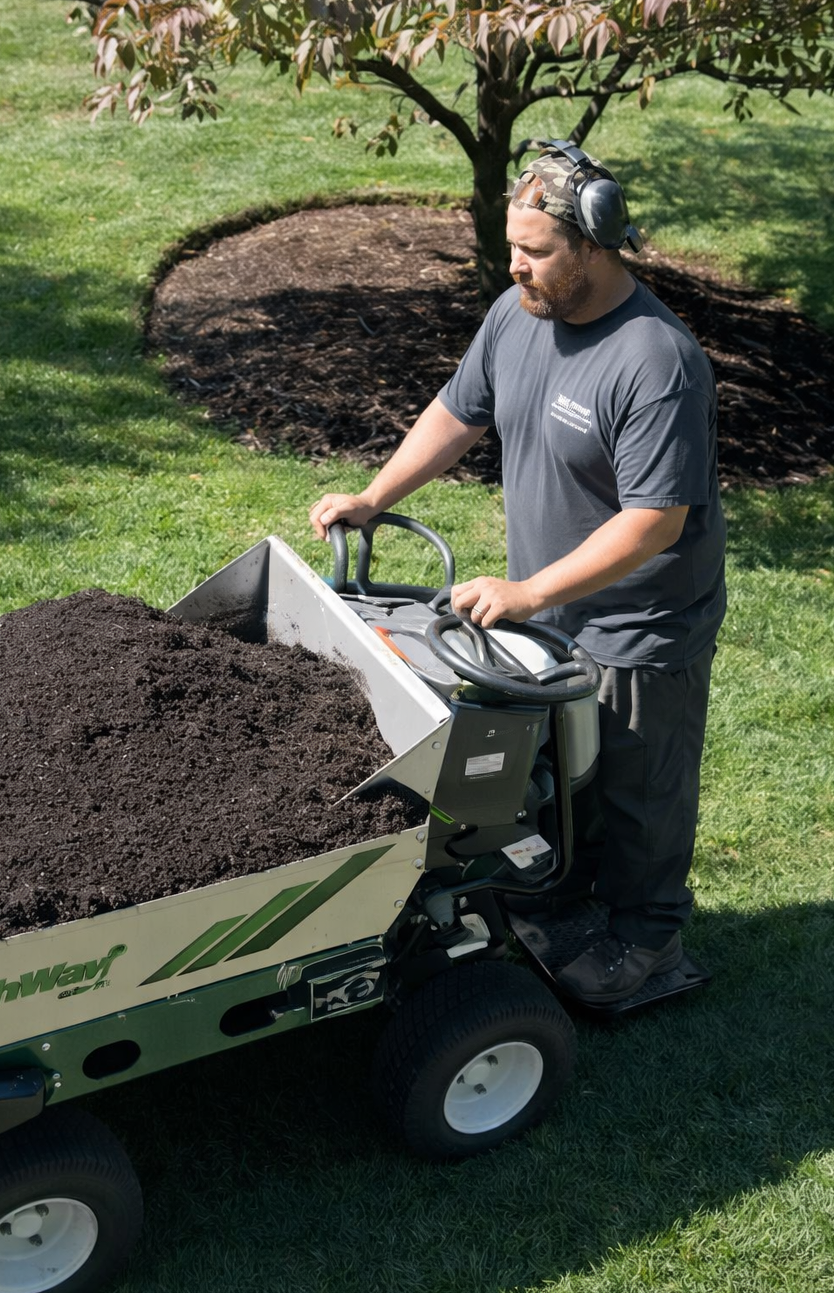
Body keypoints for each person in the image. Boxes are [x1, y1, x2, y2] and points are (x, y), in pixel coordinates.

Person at [309, 141, 726, 1006]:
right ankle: (569, 899)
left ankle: (648, 940)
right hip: (552, 611)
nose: (516, 265)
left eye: (535, 252)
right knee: (565, 784)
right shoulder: (517, 315)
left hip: (639, 627)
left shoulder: (656, 362)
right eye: (512, 247)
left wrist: (532, 590)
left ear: (595, 245)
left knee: (639, 792)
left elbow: (657, 523)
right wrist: (375, 497)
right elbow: (460, 411)